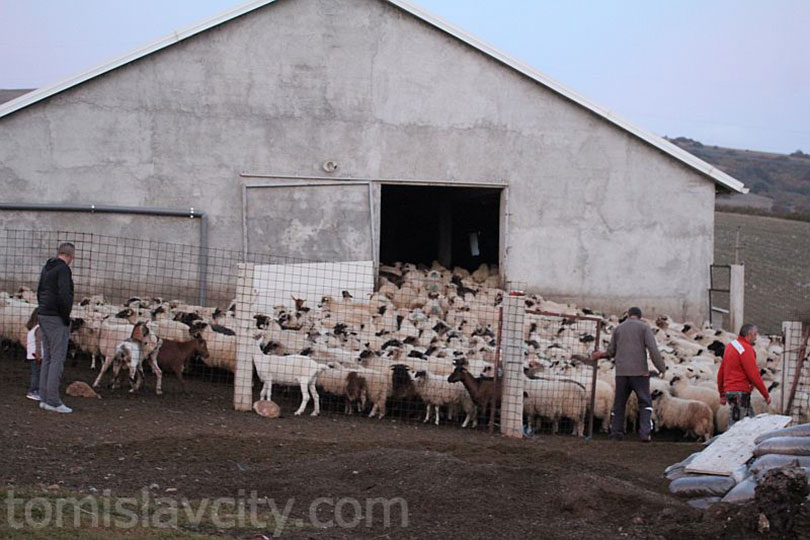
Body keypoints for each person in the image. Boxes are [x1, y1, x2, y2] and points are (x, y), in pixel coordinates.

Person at [592, 307, 666, 442]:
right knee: (644, 402)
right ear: (639, 316)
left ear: (628, 315)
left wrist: (599, 355)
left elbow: (611, 351)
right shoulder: (644, 328)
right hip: (640, 373)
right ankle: (644, 433)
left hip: (621, 373)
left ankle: (616, 433)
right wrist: (661, 368)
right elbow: (653, 349)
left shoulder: (618, 328)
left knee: (619, 403)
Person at [36, 242, 75, 413]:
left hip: (43, 313)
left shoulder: (47, 267)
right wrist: (66, 317)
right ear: (71, 257)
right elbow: (65, 295)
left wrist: (43, 307)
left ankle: (44, 398)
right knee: (57, 359)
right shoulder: (64, 270)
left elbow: (39, 290)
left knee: (48, 357)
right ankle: (53, 401)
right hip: (55, 317)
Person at [717, 323, 770, 427]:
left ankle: (734, 441)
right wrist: (765, 394)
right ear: (749, 334)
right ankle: (729, 442)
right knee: (741, 425)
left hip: (730, 391)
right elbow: (753, 374)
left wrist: (722, 393)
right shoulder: (746, 349)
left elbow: (721, 371)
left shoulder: (730, 346)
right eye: (755, 335)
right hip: (740, 392)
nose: (755, 338)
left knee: (743, 421)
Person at [25, 307, 43, 401]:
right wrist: (38, 354)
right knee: (37, 374)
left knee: (35, 373)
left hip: (32, 355)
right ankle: (33, 391)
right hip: (36, 355)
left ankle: (35, 390)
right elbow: (38, 342)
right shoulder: (39, 328)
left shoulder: (32, 328)